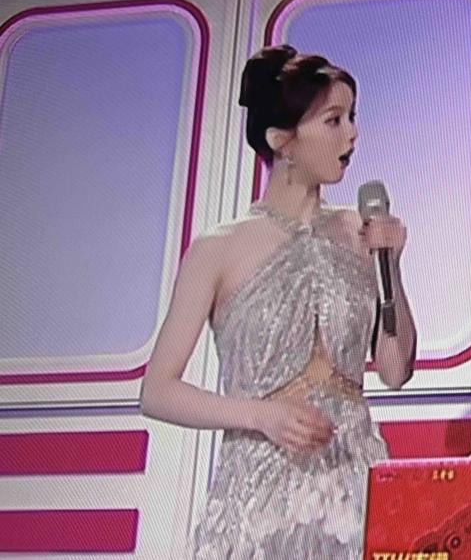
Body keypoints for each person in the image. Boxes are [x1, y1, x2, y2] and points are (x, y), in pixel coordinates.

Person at [140, 45, 418, 559]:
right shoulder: (219, 248)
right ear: (282, 140)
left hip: (351, 487)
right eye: (333, 120)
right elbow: (158, 391)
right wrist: (260, 415)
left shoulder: (358, 232)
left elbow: (396, 371)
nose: (352, 133)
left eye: (352, 117)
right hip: (259, 497)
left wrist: (391, 268)